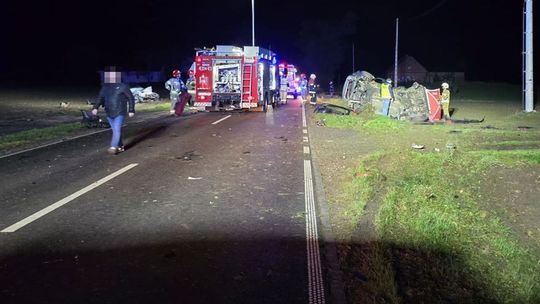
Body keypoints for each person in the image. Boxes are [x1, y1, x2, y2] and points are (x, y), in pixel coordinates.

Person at [92, 69, 135, 155]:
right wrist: (95, 108)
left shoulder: (123, 86)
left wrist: (131, 110)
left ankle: (113, 146)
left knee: (116, 129)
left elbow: (131, 98)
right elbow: (100, 98)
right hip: (109, 112)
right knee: (115, 130)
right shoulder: (105, 87)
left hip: (120, 112)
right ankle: (120, 146)